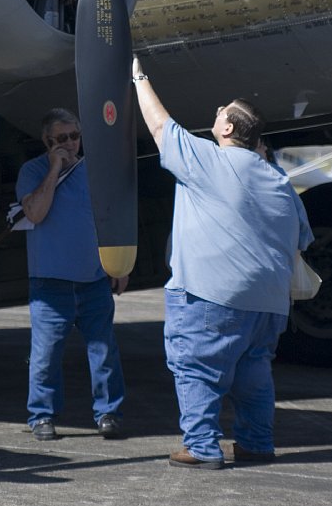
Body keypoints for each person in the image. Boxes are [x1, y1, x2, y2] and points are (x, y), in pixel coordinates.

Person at [132, 59, 313, 469]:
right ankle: (255, 444)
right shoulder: (279, 180)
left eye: (221, 112)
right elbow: (303, 236)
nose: (215, 114)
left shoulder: (209, 160)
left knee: (195, 366)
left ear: (229, 129)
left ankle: (201, 446)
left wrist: (138, 77)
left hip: (211, 294)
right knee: (253, 375)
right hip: (268, 303)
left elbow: (161, 128)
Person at [16, 107, 126, 441]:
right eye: (61, 139)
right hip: (50, 282)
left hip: (93, 278)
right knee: (46, 355)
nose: (70, 144)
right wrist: (54, 169)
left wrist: (121, 263)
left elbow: (112, 215)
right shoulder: (32, 171)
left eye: (75, 136)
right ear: (47, 141)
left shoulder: (95, 169)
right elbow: (34, 212)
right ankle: (42, 415)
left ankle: (108, 412)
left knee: (104, 350)